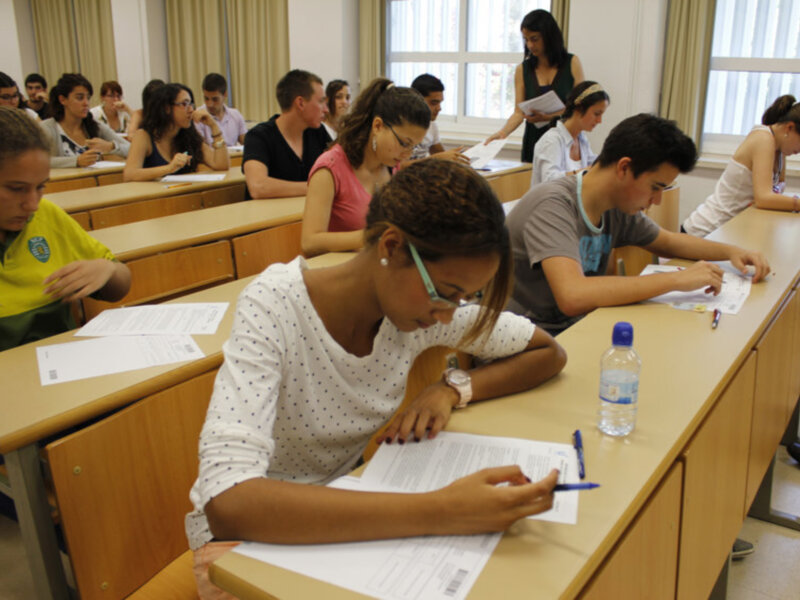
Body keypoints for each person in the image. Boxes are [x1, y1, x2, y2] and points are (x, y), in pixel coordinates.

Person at [185, 159, 567, 599]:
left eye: (464, 298)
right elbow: (228, 503)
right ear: (392, 246)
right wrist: (443, 510)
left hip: (345, 521)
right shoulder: (273, 306)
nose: (449, 315)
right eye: (446, 293)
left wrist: (452, 388)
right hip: (244, 545)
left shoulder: (414, 316)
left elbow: (547, 351)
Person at [506, 113, 771, 336]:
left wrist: (732, 252)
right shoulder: (552, 206)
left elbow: (669, 242)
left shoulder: (616, 206)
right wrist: (676, 279)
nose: (657, 200)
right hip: (527, 338)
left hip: (574, 329)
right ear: (624, 168)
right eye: (655, 187)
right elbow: (573, 296)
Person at [0, 106, 131, 352]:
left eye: (41, 187)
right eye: (17, 189)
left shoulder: (46, 215)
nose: (32, 204)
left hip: (61, 361)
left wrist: (107, 270)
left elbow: (121, 282)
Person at [301, 78, 430, 258]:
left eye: (413, 147)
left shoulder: (391, 166)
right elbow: (309, 242)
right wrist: (371, 235)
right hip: (338, 268)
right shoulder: (330, 168)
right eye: (404, 143)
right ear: (378, 126)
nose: (407, 154)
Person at [682, 95, 800, 237]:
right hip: (706, 230)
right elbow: (764, 198)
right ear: (789, 127)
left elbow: (778, 188)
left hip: (730, 229)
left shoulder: (780, 149)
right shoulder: (763, 139)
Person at [486, 9, 584, 162]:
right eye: (526, 40)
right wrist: (502, 133)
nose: (530, 45)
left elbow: (581, 106)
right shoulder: (522, 69)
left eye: (535, 39)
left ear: (549, 36)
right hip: (534, 140)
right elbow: (518, 113)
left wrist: (549, 117)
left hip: (566, 139)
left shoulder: (572, 63)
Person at [242, 69, 331, 199]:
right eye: (321, 101)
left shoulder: (317, 132)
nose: (326, 109)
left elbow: (341, 168)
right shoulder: (258, 136)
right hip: (271, 212)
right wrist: (317, 187)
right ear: (300, 103)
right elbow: (258, 187)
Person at [123, 83, 230, 181]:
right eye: (184, 104)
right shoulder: (143, 136)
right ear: (167, 108)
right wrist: (169, 168)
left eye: (191, 104)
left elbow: (221, 165)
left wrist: (214, 126)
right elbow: (129, 174)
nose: (191, 110)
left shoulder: (189, 136)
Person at [40, 73, 130, 168]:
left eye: (88, 98)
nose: (86, 103)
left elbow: (133, 149)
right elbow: (36, 161)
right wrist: (76, 161)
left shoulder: (95, 126)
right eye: (80, 98)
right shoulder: (47, 128)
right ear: (63, 100)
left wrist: (111, 146)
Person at [531, 81, 609, 186]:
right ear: (579, 108)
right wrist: (585, 172)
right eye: (596, 114)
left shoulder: (582, 139)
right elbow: (549, 181)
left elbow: (594, 165)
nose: (599, 121)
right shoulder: (551, 140)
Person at [406, 73, 468, 164]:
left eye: (440, 103)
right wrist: (434, 158)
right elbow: (398, 167)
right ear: (417, 100)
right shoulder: (401, 126)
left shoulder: (431, 125)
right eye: (434, 103)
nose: (439, 108)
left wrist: (457, 154)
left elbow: (440, 155)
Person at [194, 72, 247, 147]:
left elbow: (247, 143)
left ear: (225, 94)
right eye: (206, 98)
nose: (210, 104)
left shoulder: (236, 115)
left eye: (215, 99)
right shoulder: (198, 117)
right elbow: (201, 149)